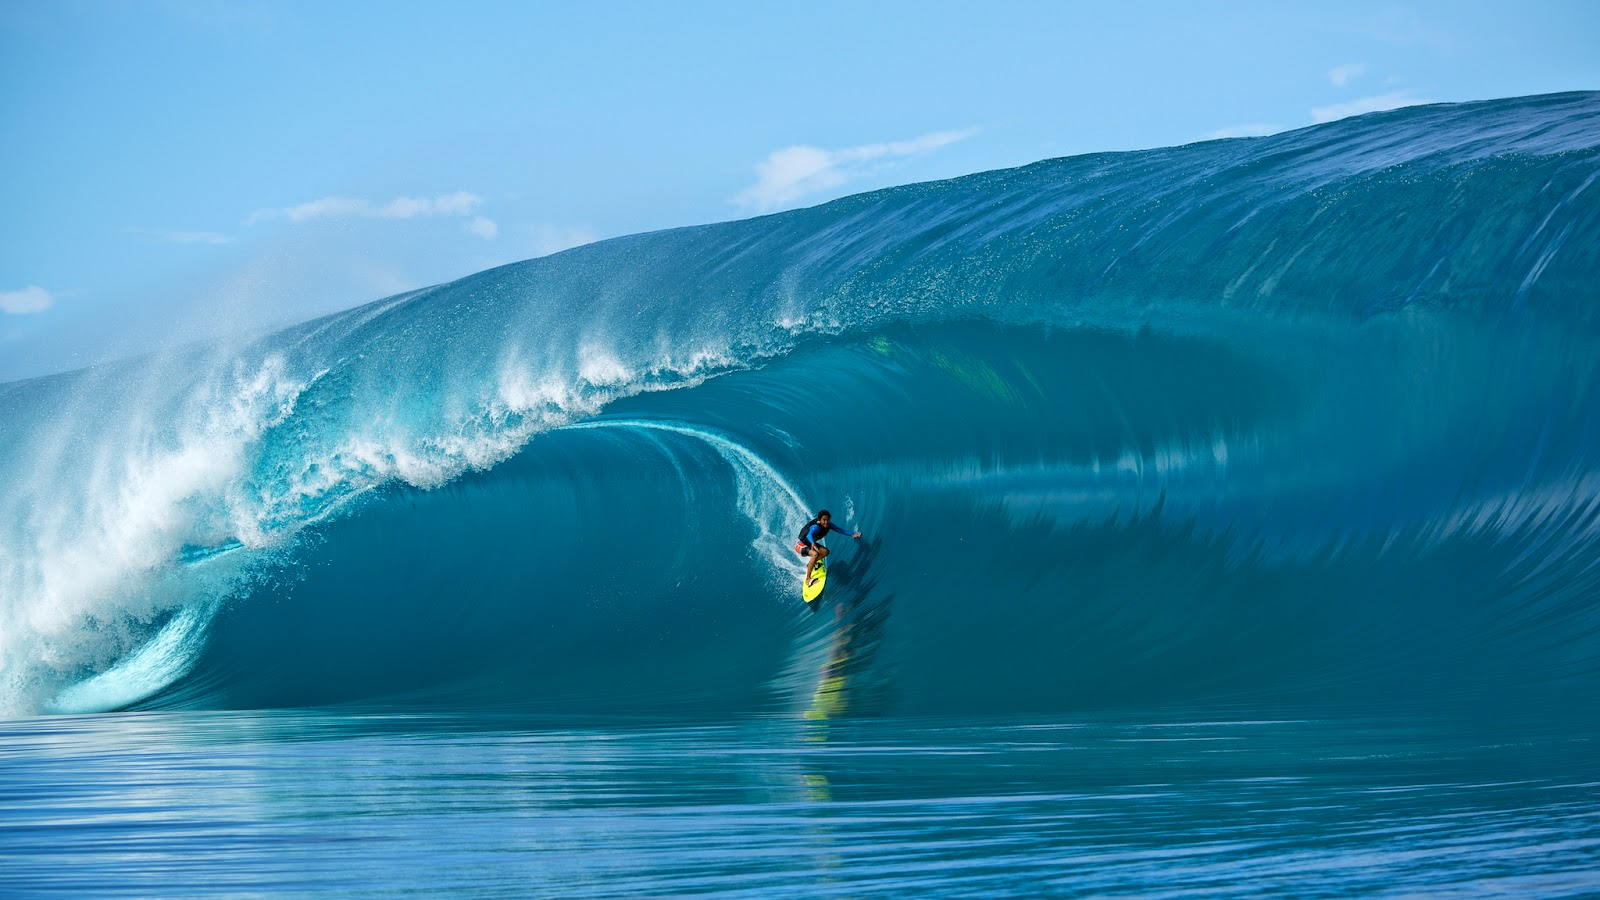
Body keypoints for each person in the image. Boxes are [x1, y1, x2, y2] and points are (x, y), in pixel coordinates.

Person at [795, 509, 861, 588]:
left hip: (809, 543)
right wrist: (813, 543)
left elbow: (839, 530)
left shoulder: (829, 525)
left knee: (825, 552)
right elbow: (809, 535)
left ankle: (810, 564)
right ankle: (808, 579)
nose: (826, 522)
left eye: (828, 520)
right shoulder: (815, 527)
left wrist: (852, 534)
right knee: (815, 554)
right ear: (820, 520)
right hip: (800, 544)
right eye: (824, 520)